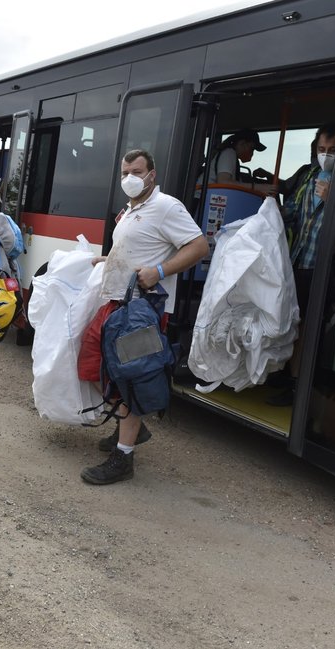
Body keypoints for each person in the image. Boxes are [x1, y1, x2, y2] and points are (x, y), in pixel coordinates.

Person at [80, 149, 209, 485]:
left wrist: (160, 270)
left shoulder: (166, 206)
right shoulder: (130, 209)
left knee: (131, 377)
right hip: (114, 304)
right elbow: (137, 248)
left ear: (152, 174)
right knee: (92, 365)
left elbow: (199, 247)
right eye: (125, 172)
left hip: (141, 310)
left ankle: (123, 456)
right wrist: (107, 260)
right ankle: (133, 428)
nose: (130, 178)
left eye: (137, 171)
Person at [267, 123, 335, 406]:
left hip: (326, 268)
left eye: (333, 151)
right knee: (295, 325)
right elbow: (293, 216)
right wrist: (271, 209)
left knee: (311, 329)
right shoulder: (309, 178)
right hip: (299, 262)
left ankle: (302, 386)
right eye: (322, 150)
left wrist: (332, 201)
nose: (326, 155)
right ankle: (290, 378)